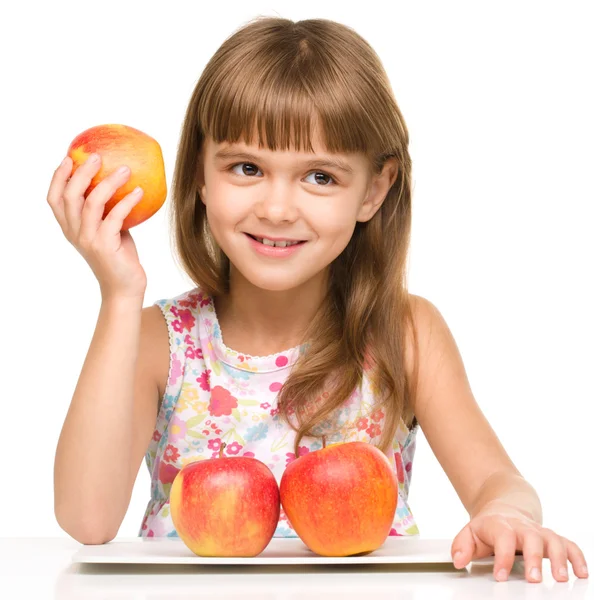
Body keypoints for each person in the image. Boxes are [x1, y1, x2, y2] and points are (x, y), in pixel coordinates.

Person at [49, 16, 588, 584]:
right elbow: (88, 520)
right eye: (247, 168)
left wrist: (506, 514)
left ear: (374, 190)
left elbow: (497, 483)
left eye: (320, 177)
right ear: (200, 176)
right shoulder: (161, 341)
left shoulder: (405, 333)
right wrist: (118, 294)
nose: (277, 208)